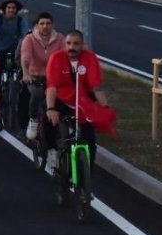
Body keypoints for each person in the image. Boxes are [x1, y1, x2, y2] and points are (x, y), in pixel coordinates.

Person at [45, 30, 107, 170]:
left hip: (82, 102)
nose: (71, 47)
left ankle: (88, 173)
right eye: (68, 43)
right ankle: (52, 150)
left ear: (82, 45)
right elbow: (52, 86)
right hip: (60, 99)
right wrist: (51, 108)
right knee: (48, 120)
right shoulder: (56, 58)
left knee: (90, 139)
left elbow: (96, 86)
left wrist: (105, 108)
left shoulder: (90, 58)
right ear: (64, 44)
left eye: (76, 44)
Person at [20, 12, 65, 141]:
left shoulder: (60, 39)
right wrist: (26, 73)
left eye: (48, 23)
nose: (45, 26)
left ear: (53, 25)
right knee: (37, 94)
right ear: (37, 26)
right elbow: (25, 57)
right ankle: (33, 120)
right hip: (35, 76)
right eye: (42, 23)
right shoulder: (29, 39)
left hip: (54, 77)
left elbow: (65, 56)